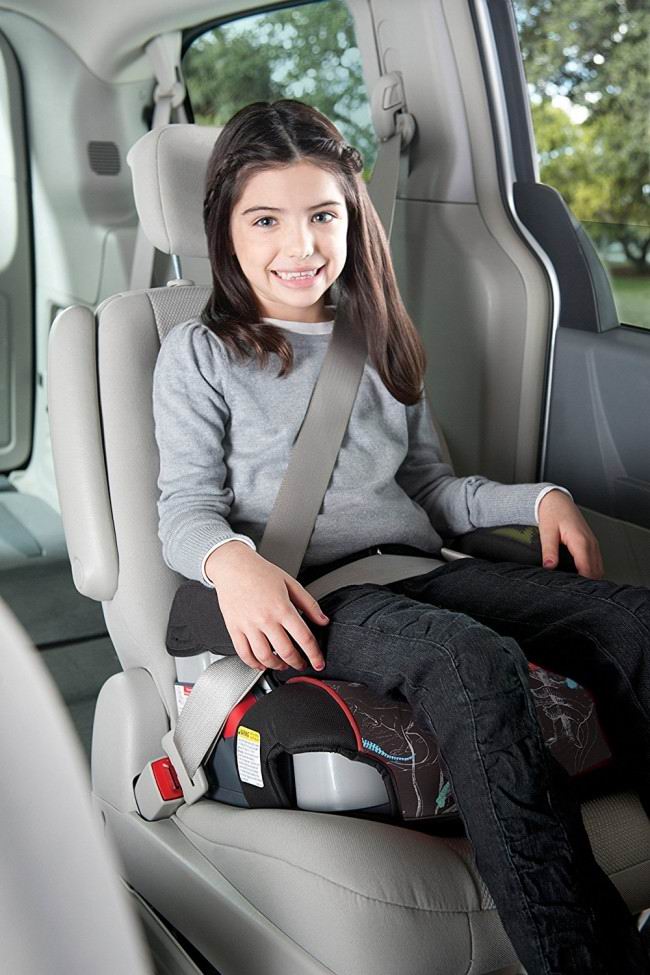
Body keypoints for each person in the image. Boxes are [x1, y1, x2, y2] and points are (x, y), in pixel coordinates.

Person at [152, 99, 650, 975]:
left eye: (322, 216)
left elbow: (428, 491)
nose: (300, 245)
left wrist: (538, 498)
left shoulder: (376, 338)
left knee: (634, 620)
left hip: (418, 566)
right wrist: (234, 562)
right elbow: (183, 508)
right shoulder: (201, 352)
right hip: (316, 596)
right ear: (224, 228)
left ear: (353, 218)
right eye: (265, 220)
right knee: (470, 660)